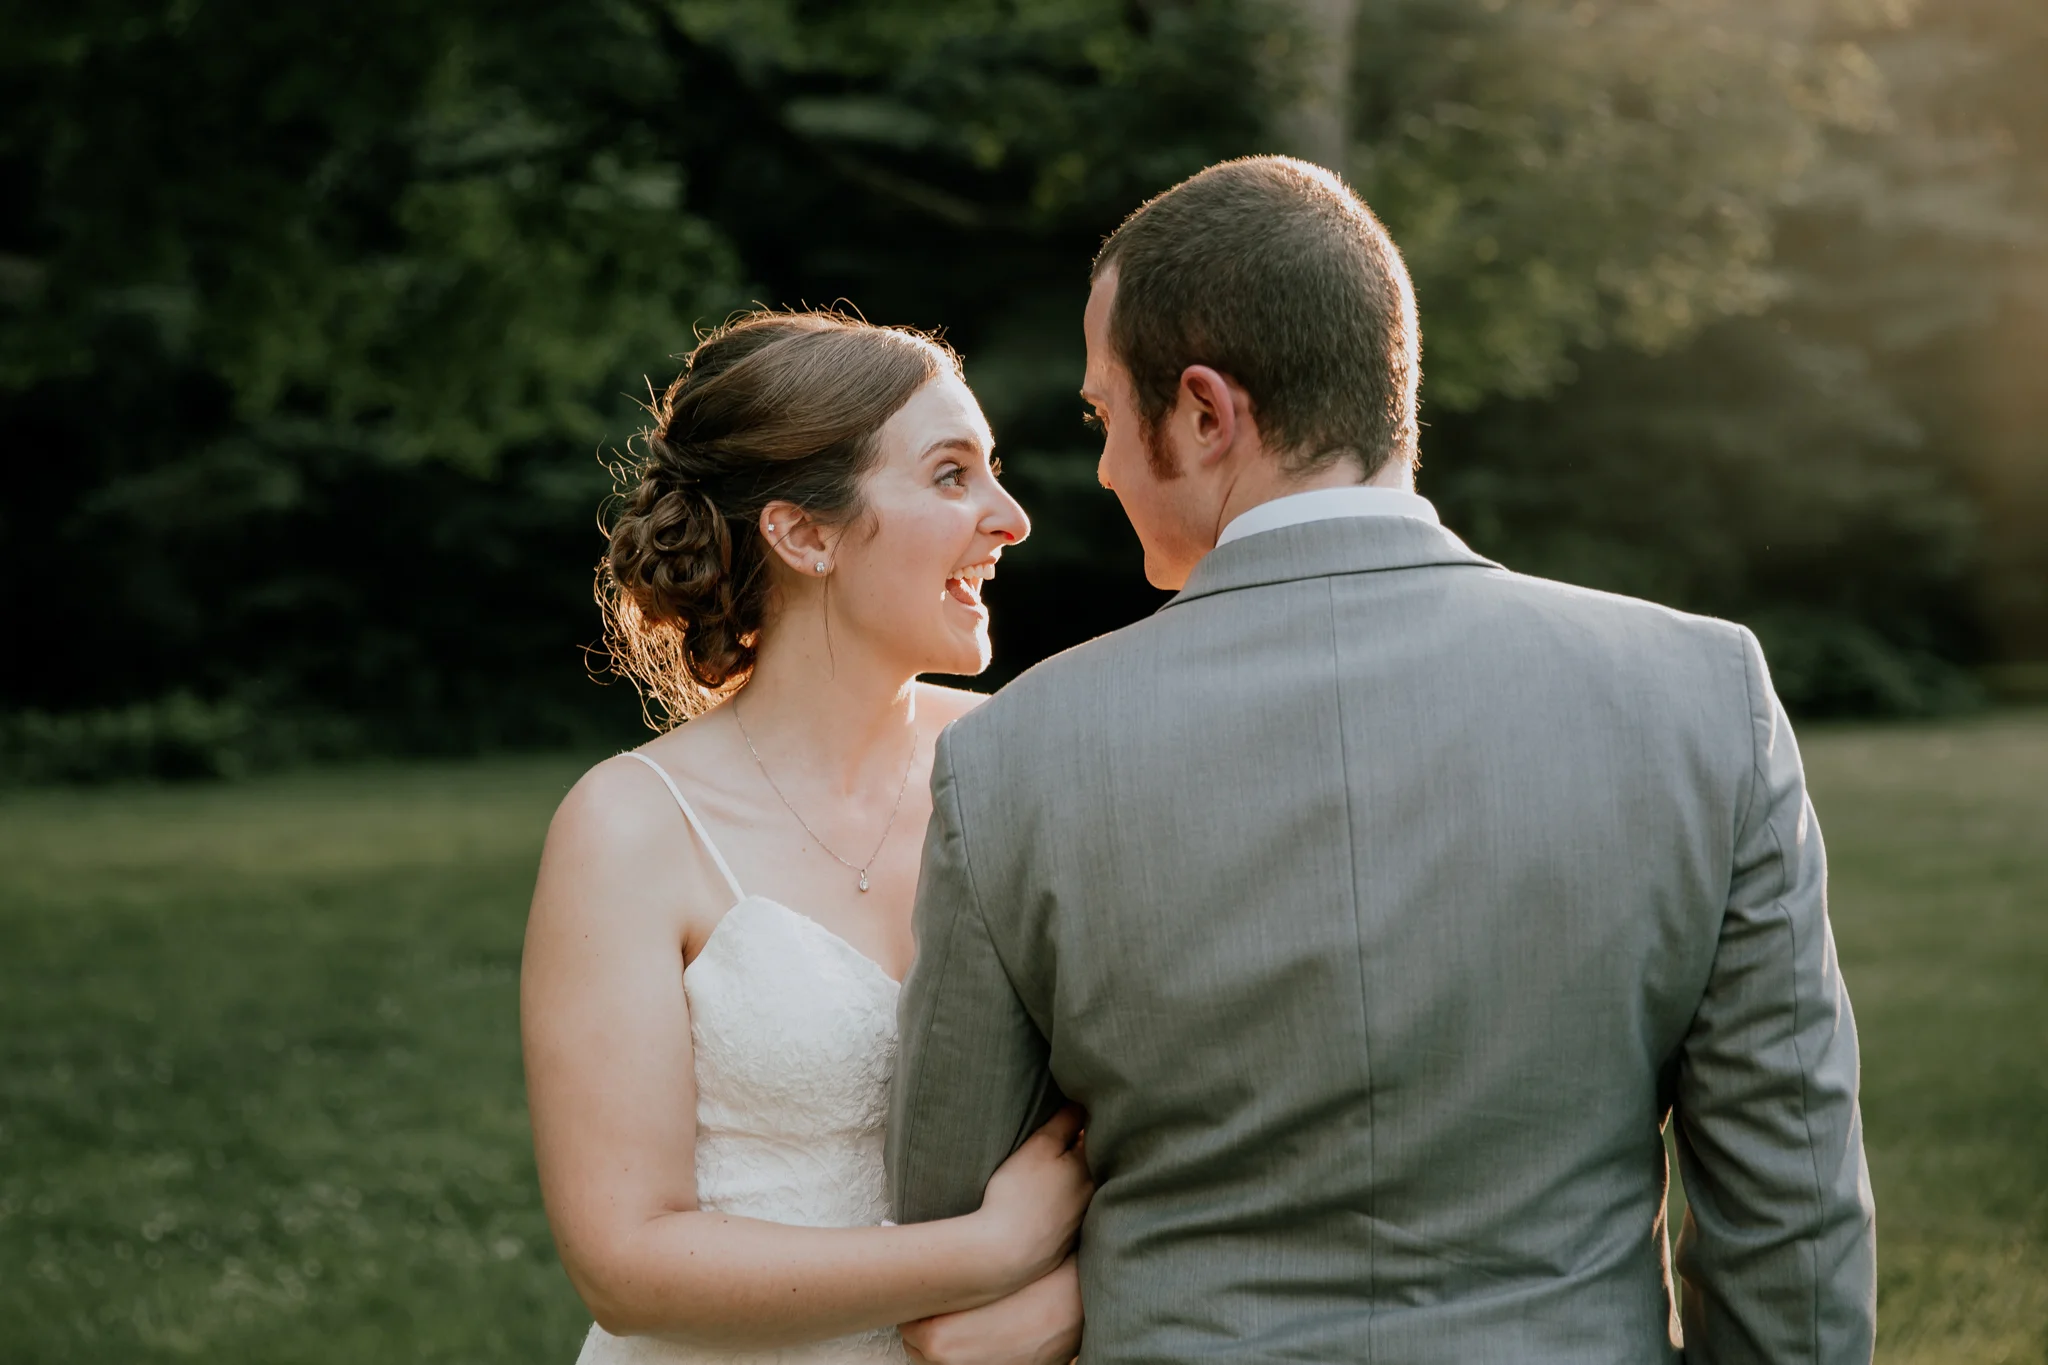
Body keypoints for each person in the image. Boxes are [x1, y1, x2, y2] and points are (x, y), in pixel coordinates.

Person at [888, 156, 1877, 1363]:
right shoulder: (1700, 698)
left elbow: (948, 1227)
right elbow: (1791, 1229)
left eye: (1104, 417)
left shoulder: (1010, 756)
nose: (1098, 468)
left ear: (1202, 414)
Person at [522, 310, 1091, 1365]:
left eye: (994, 471)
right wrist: (987, 1251)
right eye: (951, 475)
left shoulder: (1028, 762)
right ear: (804, 535)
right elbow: (624, 1262)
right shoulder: (632, 826)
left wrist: (1071, 1295)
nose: (1010, 519)